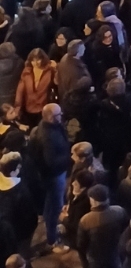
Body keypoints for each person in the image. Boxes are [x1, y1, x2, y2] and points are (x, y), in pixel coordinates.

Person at [29, 104, 71, 252]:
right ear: (49, 117)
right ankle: (52, 240)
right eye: (59, 114)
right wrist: (69, 157)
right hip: (54, 176)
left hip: (52, 175)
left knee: (50, 204)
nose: (62, 116)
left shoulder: (49, 126)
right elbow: (51, 161)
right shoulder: (47, 136)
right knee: (55, 206)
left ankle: (49, 225)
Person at [77, 184, 129, 268]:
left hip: (95, 259)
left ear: (93, 201)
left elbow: (81, 245)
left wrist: (84, 264)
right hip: (116, 255)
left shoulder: (86, 220)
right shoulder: (119, 211)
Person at [15, 48, 58, 127]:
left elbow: (57, 82)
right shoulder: (26, 72)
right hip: (29, 109)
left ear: (43, 59)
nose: (35, 63)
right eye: (33, 60)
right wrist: (18, 108)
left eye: (38, 60)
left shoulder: (50, 70)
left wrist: (56, 68)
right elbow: (20, 91)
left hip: (44, 108)